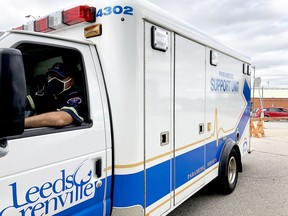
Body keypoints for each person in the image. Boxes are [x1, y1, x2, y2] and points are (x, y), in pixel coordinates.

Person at [25, 62, 86, 128]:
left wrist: (21, 123)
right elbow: (24, 103)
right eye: (52, 76)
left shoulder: (76, 96)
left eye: (59, 77)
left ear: (71, 81)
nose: (54, 80)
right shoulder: (47, 91)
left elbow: (61, 119)